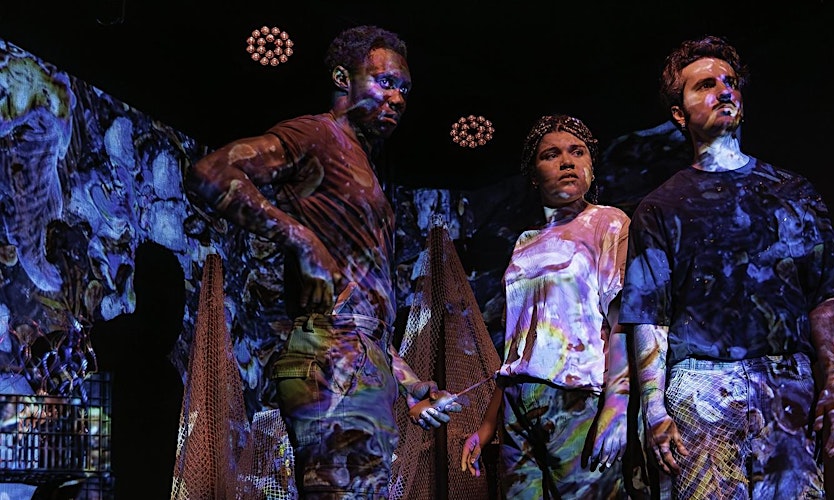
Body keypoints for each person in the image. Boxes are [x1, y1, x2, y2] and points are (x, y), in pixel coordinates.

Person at [186, 25, 459, 499]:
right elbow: (210, 173)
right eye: (385, 82)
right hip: (331, 353)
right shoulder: (315, 134)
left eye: (405, 89)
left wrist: (409, 382)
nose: (398, 98)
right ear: (342, 78)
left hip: (361, 354)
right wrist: (301, 238)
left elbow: (364, 304)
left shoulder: (362, 162)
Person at [618, 35, 834, 499]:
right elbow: (650, 315)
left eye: (729, 81)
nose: (724, 91)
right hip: (701, 390)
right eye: (705, 85)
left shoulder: (792, 191)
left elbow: (824, 294)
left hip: (786, 383)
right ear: (679, 114)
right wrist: (654, 410)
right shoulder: (660, 207)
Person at [460, 114, 632, 499]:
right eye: (551, 155)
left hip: (576, 398)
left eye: (577, 152)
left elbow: (623, 321)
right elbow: (517, 347)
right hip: (517, 405)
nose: (567, 162)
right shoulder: (525, 242)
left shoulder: (608, 223)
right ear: (534, 175)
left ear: (591, 165)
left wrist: (617, 404)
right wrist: (487, 425)